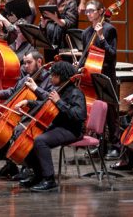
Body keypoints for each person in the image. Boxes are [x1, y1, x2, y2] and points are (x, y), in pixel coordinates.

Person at [19, 61, 86, 191]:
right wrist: (28, 102)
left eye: (54, 75)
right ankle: (39, 175)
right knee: (28, 136)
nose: (51, 77)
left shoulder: (76, 93)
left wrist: (59, 102)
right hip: (59, 127)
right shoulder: (58, 90)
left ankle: (49, 180)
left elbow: (79, 116)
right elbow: (44, 104)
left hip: (72, 130)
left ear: (61, 76)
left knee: (40, 141)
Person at [0, 50, 53, 178]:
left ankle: (29, 168)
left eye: (29, 62)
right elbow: (13, 90)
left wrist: (36, 88)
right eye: (24, 63)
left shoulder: (49, 80)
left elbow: (49, 100)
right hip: (23, 115)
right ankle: (10, 167)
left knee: (18, 131)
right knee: (1, 127)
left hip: (40, 118)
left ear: (39, 62)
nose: (25, 66)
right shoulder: (26, 78)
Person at [80, 0, 119, 158]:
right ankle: (101, 145)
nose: (88, 13)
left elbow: (111, 54)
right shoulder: (86, 33)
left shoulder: (109, 30)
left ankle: (116, 145)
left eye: (91, 10)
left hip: (106, 75)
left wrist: (101, 37)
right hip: (92, 75)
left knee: (110, 112)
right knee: (98, 111)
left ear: (101, 11)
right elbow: (87, 55)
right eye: (87, 11)